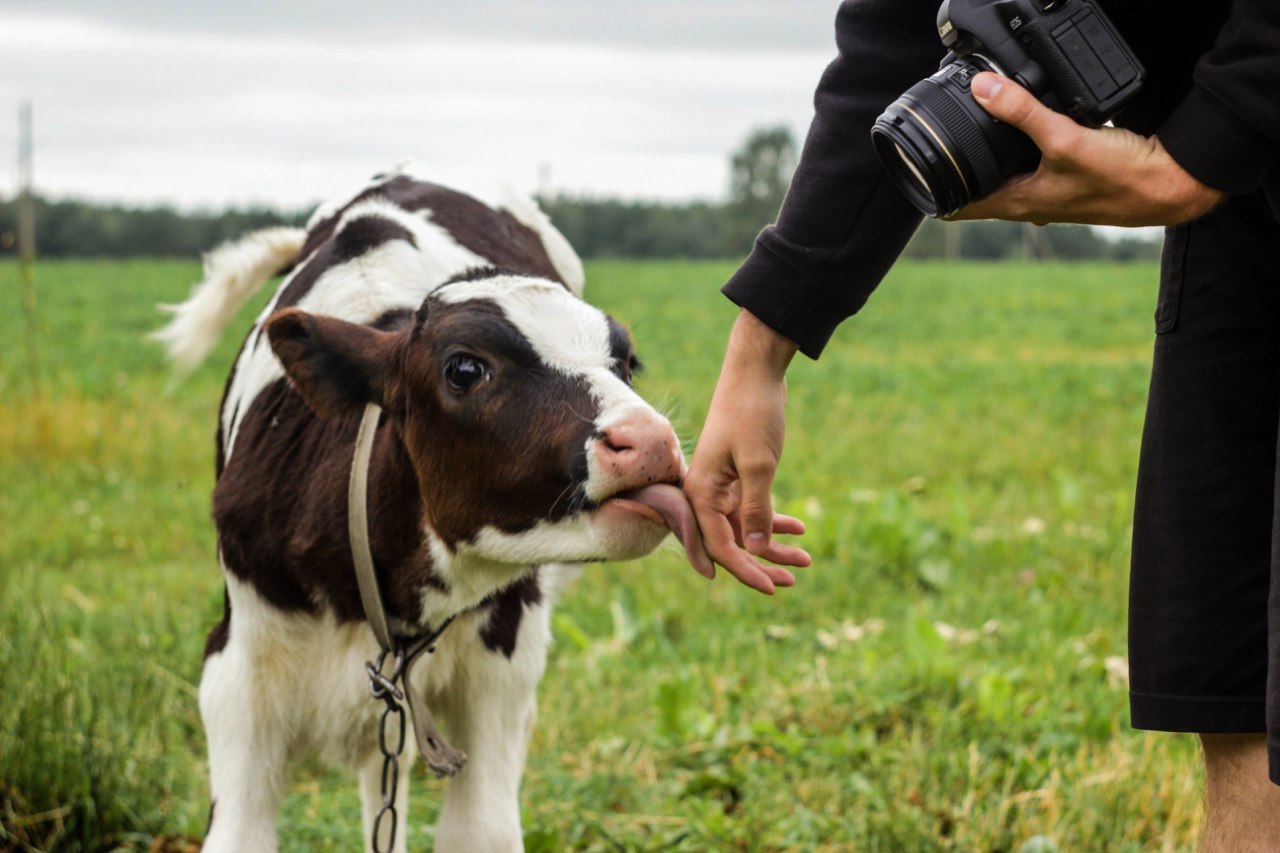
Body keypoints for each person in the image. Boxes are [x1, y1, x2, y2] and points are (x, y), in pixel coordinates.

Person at [681, 0, 1280, 849]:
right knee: (1238, 678)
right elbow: (902, 28)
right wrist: (759, 348)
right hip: (1238, 201)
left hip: (1227, 141)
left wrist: (1204, 146)